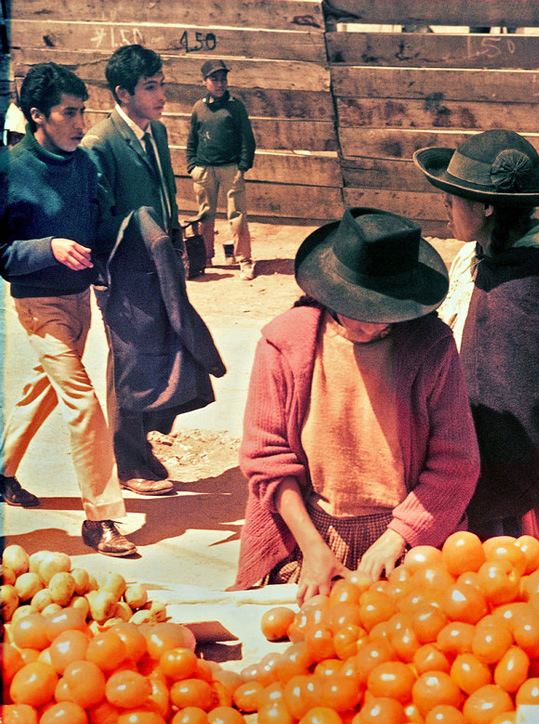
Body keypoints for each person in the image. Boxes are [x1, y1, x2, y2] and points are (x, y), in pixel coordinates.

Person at [234, 207, 481, 603]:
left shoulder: (432, 347)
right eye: (358, 308)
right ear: (330, 290)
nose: (369, 325)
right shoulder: (284, 343)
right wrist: (314, 549)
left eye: (385, 313)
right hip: (308, 534)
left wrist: (396, 539)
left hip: (408, 538)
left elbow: (457, 464)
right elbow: (266, 457)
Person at [414, 129, 539, 543]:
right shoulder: (476, 259)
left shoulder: (521, 292)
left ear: (487, 206)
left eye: (454, 194)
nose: (444, 203)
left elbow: (528, 418)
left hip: (528, 498)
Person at [0, 62, 136, 557]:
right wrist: (48, 247)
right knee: (82, 402)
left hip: (81, 299)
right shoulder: (10, 170)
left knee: (44, 388)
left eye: (83, 111)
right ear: (38, 115)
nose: (81, 124)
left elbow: (100, 221)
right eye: (68, 113)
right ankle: (102, 519)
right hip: (39, 306)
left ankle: (2, 470)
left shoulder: (83, 164)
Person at [81, 44, 182, 497]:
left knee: (162, 349)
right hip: (123, 271)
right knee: (128, 359)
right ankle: (129, 464)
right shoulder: (99, 143)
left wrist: (175, 237)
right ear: (123, 93)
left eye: (161, 84)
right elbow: (97, 218)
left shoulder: (155, 131)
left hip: (161, 264)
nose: (162, 95)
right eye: (151, 87)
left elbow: (166, 191)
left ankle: (142, 443)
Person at [186, 59, 256, 280]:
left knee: (237, 215)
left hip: (230, 169)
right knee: (205, 216)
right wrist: (192, 165)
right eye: (214, 79)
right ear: (204, 82)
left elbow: (247, 138)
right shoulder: (199, 108)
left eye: (223, 79)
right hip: (204, 169)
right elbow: (192, 139)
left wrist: (242, 166)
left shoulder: (235, 107)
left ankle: (243, 259)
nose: (219, 83)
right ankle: (205, 258)